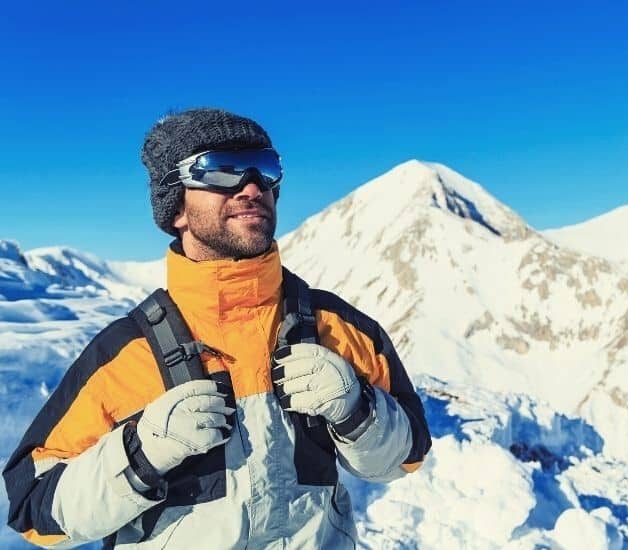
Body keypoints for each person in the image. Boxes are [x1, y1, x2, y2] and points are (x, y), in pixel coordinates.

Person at [3, 108, 432, 549]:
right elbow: (34, 509)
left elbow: (407, 459)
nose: (252, 187)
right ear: (176, 211)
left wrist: (356, 409)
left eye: (265, 169)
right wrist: (140, 453)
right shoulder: (125, 354)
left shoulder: (338, 328)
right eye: (220, 170)